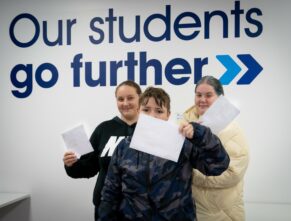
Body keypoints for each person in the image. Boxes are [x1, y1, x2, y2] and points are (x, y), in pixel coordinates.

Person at [97, 86, 230, 221]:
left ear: (168, 115)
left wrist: (201, 135)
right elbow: (110, 192)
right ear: (138, 112)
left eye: (159, 111)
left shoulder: (184, 144)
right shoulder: (124, 147)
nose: (152, 116)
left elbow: (217, 166)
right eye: (146, 110)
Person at [62, 80, 142, 221]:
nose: (125, 103)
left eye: (130, 98)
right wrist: (71, 164)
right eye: (120, 99)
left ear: (140, 98)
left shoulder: (151, 130)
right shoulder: (103, 129)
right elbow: (90, 167)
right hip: (106, 209)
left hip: (141, 209)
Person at [182, 75, 249, 221]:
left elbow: (233, 173)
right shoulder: (184, 124)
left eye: (208, 95)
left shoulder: (232, 131)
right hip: (191, 210)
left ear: (220, 98)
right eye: (198, 95)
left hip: (221, 213)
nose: (202, 100)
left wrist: (191, 176)